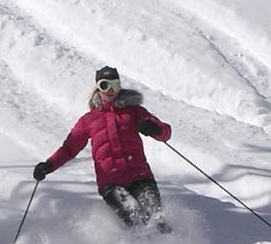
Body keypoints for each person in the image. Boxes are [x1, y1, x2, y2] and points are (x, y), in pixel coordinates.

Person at [34, 66, 173, 232]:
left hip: (140, 177)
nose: (110, 90)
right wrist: (48, 165)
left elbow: (165, 133)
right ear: (97, 87)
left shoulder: (135, 112)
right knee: (136, 219)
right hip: (111, 184)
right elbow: (69, 148)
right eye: (104, 85)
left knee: (156, 219)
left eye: (114, 85)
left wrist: (155, 129)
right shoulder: (88, 120)